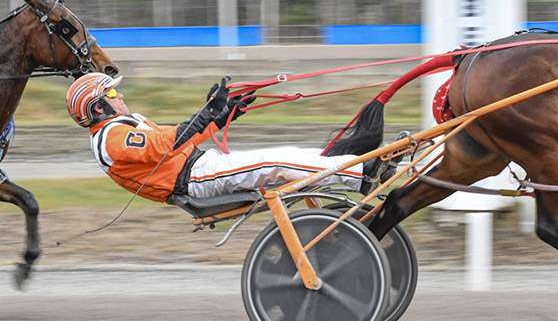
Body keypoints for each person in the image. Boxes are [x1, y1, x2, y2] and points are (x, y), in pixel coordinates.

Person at [67, 73, 380, 203]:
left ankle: (357, 167)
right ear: (98, 107)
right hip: (195, 180)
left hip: (201, 166)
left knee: (292, 153)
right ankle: (362, 174)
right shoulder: (110, 138)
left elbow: (181, 139)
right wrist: (206, 112)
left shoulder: (124, 126)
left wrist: (223, 114)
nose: (119, 94)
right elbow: (165, 146)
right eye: (111, 92)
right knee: (274, 163)